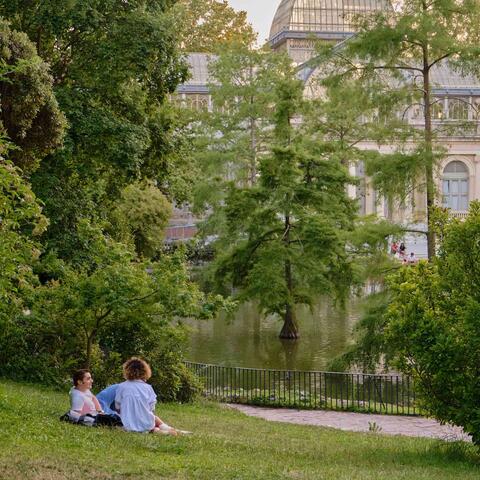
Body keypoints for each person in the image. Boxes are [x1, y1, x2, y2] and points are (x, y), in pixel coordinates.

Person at [115, 357, 181, 435]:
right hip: (146, 424)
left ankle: (160, 430)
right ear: (145, 371)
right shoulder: (148, 388)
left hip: (128, 425)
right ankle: (165, 428)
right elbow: (151, 409)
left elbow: (117, 407)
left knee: (144, 425)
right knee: (151, 419)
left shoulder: (122, 387)